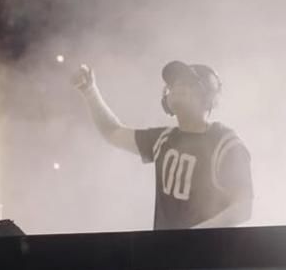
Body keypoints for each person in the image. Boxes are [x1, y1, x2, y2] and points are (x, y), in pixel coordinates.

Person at [72, 60, 252, 230]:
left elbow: (244, 207)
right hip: (165, 258)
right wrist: (90, 92)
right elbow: (112, 132)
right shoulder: (164, 139)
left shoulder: (225, 143)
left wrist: (196, 236)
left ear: (208, 97)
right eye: (175, 83)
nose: (177, 87)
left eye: (188, 83)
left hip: (209, 259)